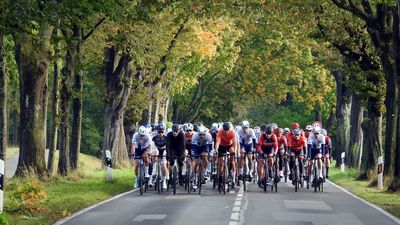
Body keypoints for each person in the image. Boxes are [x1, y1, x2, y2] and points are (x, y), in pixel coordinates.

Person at [215, 122, 238, 189]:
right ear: (223, 129)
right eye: (225, 130)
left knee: (232, 153)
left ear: (229, 129)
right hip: (221, 146)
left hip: (229, 145)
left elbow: (235, 143)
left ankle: (231, 169)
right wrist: (216, 150)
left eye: (227, 130)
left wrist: (235, 151)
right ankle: (220, 179)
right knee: (221, 162)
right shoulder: (220, 132)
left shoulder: (232, 132)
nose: (226, 131)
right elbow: (217, 142)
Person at [152, 124, 168, 190]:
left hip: (164, 149)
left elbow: (168, 146)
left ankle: (164, 181)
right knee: (155, 157)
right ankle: (154, 173)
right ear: (157, 131)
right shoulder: (154, 136)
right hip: (156, 149)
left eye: (162, 132)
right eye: (159, 132)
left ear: (164, 131)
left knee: (163, 165)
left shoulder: (166, 137)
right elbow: (152, 146)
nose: (161, 133)